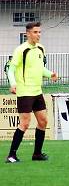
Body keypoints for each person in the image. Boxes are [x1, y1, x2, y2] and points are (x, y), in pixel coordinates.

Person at [5, 21, 58, 163]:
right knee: (25, 123)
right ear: (27, 34)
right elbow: (11, 69)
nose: (38, 35)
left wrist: (50, 74)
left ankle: (37, 154)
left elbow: (40, 69)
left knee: (43, 121)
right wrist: (13, 83)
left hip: (37, 91)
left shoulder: (41, 48)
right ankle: (11, 155)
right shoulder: (21, 50)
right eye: (35, 32)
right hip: (24, 91)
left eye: (39, 32)